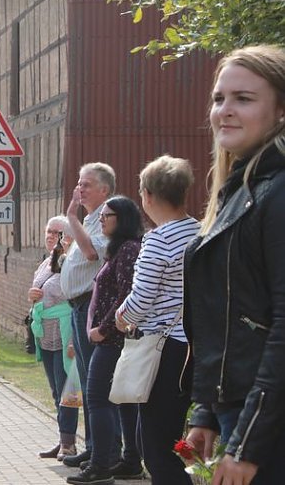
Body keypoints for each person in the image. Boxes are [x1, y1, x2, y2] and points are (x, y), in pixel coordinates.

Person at [182, 45, 285, 485]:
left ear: (280, 111)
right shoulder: (240, 189)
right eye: (219, 98)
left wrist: (245, 444)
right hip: (243, 414)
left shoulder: (277, 192)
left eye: (244, 99)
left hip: (268, 426)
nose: (224, 110)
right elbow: (227, 316)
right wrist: (206, 409)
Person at [115, 155, 199, 484]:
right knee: (164, 437)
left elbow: (141, 298)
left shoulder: (158, 241)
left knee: (155, 447)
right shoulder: (201, 230)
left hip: (165, 350)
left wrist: (122, 317)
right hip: (194, 345)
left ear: (147, 195)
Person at [67, 196, 144, 485]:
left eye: (107, 215)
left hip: (113, 340)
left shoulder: (128, 250)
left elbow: (127, 295)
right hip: (113, 339)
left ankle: (101, 465)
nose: (102, 219)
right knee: (123, 401)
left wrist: (105, 328)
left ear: (122, 218)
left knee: (98, 398)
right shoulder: (119, 249)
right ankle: (131, 461)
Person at [60, 162, 116, 468]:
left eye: (87, 185)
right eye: (79, 184)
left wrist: (70, 217)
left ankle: (105, 451)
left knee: (96, 384)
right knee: (85, 379)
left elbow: (93, 253)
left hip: (90, 307)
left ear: (104, 190)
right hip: (77, 308)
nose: (80, 189)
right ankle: (93, 446)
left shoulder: (106, 219)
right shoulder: (91, 219)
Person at [29, 216, 78, 461]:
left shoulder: (72, 262)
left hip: (65, 330)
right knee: (54, 389)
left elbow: (72, 295)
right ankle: (62, 438)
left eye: (56, 232)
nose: (51, 236)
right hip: (46, 332)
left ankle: (69, 443)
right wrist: (32, 295)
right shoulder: (45, 263)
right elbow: (37, 291)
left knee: (66, 389)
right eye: (48, 231)